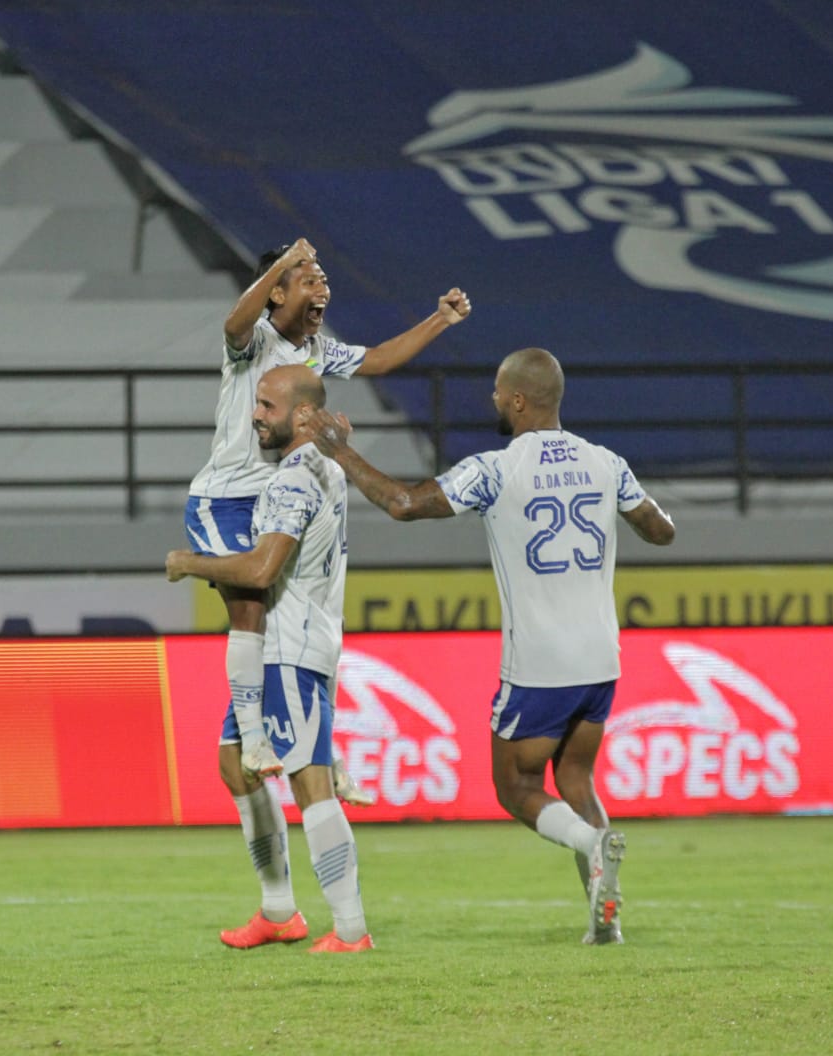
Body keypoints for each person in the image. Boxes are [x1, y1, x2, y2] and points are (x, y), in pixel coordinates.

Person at [305, 346, 676, 945]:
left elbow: (403, 504)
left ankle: (592, 844)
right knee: (576, 780)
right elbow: (662, 530)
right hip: (601, 658)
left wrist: (339, 451)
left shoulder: (496, 468)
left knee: (517, 788)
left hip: (539, 663)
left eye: (500, 392)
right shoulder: (608, 461)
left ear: (520, 399)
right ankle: (605, 924)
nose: (494, 400)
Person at [184, 236, 470, 797]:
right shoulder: (255, 340)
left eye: (324, 280)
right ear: (278, 292)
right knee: (250, 611)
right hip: (224, 500)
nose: (324, 290)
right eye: (310, 280)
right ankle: (253, 737)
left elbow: (381, 358)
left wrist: (439, 320)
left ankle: (320, 751)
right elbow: (233, 322)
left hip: (276, 503)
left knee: (313, 621)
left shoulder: (317, 350)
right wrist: (281, 265)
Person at [168, 365, 373, 953]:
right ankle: (280, 910)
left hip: (288, 650)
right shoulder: (326, 467)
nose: (255, 415)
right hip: (300, 645)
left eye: (266, 405)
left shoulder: (290, 481)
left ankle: (352, 930)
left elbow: (261, 570)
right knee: (234, 764)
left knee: (312, 786)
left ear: (302, 417)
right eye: (255, 403)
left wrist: (191, 563)